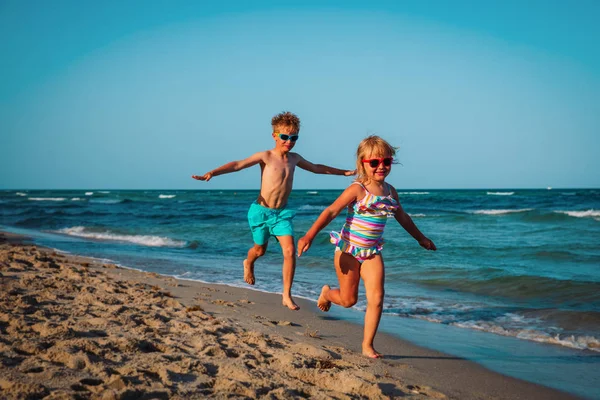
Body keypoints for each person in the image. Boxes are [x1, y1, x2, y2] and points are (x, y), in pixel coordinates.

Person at [192, 111, 355, 310]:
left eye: (294, 137)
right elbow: (238, 164)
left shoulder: (295, 158)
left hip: (281, 215)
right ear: (274, 136)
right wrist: (213, 173)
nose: (289, 141)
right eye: (285, 137)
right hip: (260, 212)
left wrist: (344, 172)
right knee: (260, 250)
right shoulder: (266, 156)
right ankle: (249, 262)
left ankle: (286, 294)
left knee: (289, 251)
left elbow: (317, 168)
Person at [297, 135, 436, 358]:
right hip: (348, 250)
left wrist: (420, 238)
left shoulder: (391, 191)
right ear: (363, 163)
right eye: (374, 162)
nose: (381, 166)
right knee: (349, 300)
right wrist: (309, 235)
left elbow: (403, 217)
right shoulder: (358, 189)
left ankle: (367, 345)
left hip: (372, 252)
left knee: (377, 298)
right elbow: (331, 211)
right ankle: (327, 293)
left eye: (386, 162)